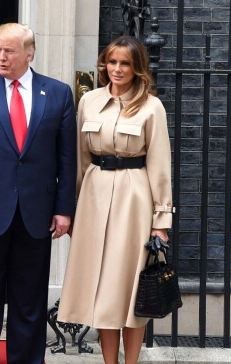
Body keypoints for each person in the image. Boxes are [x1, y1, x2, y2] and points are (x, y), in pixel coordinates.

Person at [0, 22, 77, 364]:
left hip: (36, 214)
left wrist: (64, 209)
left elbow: (67, 157)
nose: (1, 57)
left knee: (29, 303)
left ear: (29, 53)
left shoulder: (59, 93)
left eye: (9, 51)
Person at [57, 35, 174, 364]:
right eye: (112, 62)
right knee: (102, 291)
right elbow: (80, 159)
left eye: (125, 63)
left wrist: (161, 222)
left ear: (137, 68)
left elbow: (160, 165)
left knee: (129, 290)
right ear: (104, 65)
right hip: (93, 195)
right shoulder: (89, 101)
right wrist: (71, 210)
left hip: (133, 199)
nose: (117, 69)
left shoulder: (152, 106)